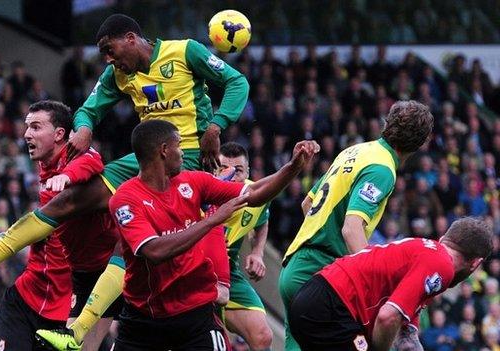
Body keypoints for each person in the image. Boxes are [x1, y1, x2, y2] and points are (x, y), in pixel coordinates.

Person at [0, 13, 249, 346]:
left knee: (128, 240)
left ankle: (75, 332)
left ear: (131, 38)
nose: (108, 58)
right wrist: (85, 127)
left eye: (109, 49)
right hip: (143, 160)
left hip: (183, 158)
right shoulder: (118, 72)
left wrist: (216, 126)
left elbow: (237, 82)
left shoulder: (185, 51)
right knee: (71, 200)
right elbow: (88, 108)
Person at [36, 120, 318, 350]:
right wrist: (210, 221)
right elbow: (154, 251)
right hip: (145, 317)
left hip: (194, 310)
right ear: (163, 150)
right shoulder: (125, 199)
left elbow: (254, 193)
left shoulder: (193, 182)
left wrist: (293, 167)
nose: (184, 152)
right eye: (179, 146)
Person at [0, 100, 118, 351]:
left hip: (69, 308)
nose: (26, 134)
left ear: (59, 134)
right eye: (27, 127)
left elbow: (91, 161)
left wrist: (67, 177)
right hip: (24, 299)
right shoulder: (43, 164)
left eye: (35, 127)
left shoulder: (81, 163)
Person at [279, 100, 434, 351]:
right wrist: (370, 282)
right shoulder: (382, 169)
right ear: (421, 143)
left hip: (295, 265)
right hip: (320, 269)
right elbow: (351, 228)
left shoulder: (355, 151)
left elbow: (308, 203)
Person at [289, 217, 493, 351]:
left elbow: (407, 335)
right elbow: (387, 317)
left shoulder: (424, 251)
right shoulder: (441, 266)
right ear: (476, 263)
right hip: (331, 307)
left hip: (318, 296)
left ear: (443, 238)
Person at [216, 142, 273, 350]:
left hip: (229, 275)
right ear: (214, 169)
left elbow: (262, 221)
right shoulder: (200, 191)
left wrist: (257, 252)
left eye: (238, 170)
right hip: (192, 274)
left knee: (263, 336)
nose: (231, 175)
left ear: (248, 172)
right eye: (223, 169)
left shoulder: (255, 197)